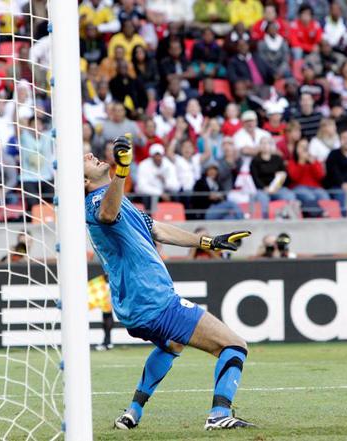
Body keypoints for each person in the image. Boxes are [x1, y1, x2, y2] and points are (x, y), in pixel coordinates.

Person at [86, 137, 254, 431]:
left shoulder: (116, 198)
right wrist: (122, 172)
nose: (90, 154)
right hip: (154, 300)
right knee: (235, 345)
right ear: (84, 179)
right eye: (85, 160)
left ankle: (132, 412)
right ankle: (219, 414)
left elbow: (158, 229)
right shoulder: (97, 201)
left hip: (134, 307)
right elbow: (107, 214)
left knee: (172, 344)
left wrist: (209, 242)